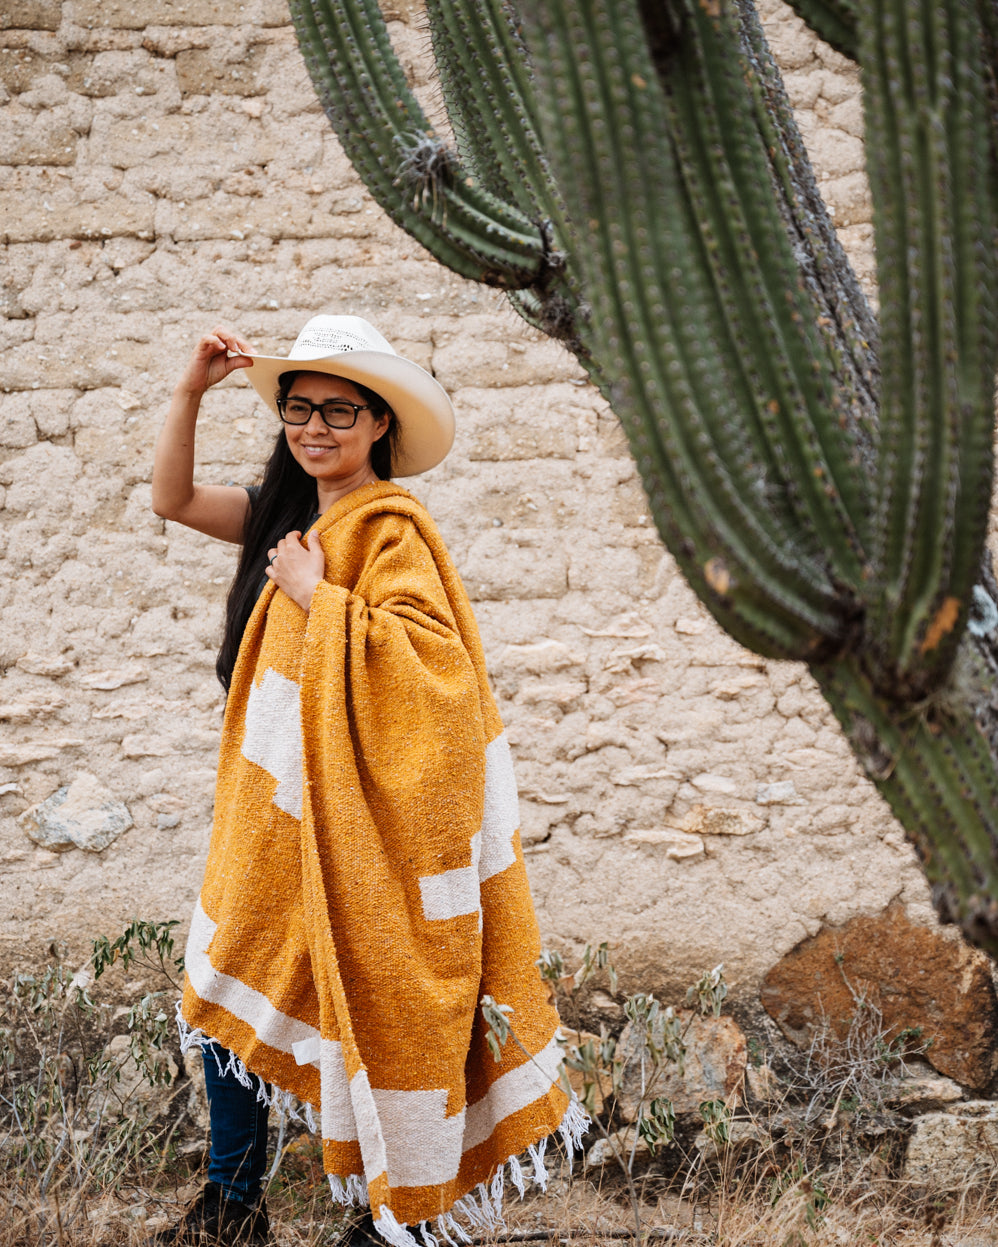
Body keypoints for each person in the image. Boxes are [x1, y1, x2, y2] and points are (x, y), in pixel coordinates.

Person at [150, 316, 585, 1247]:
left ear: (379, 422)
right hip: (276, 817)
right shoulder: (287, 513)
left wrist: (321, 598)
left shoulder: (391, 533)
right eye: (299, 409)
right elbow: (174, 498)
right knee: (236, 979)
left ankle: (392, 1215)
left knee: (376, 1006)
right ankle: (233, 1207)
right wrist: (191, 389)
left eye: (338, 411)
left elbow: (441, 681)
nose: (315, 428)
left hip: (361, 827)